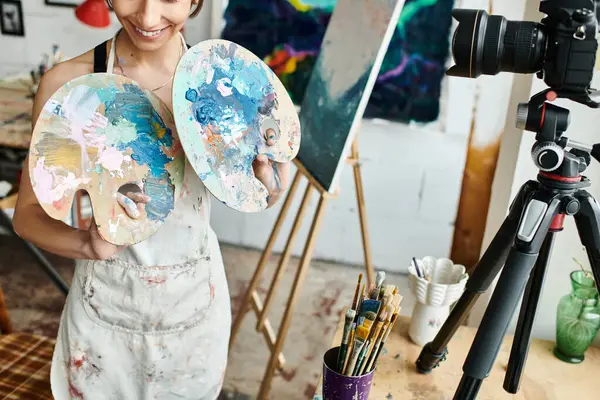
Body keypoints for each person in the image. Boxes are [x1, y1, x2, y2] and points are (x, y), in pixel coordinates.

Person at [12, 1, 290, 399]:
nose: (147, 17)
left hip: (194, 312)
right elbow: (26, 216)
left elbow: (262, 188)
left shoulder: (230, 86)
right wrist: (87, 244)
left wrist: (263, 188)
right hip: (102, 320)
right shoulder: (69, 87)